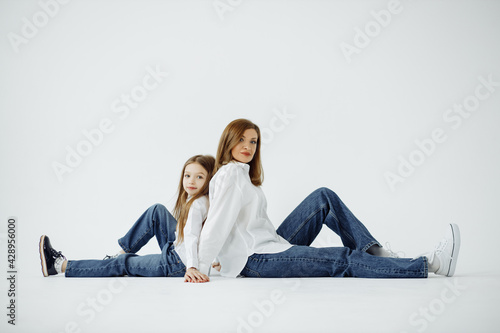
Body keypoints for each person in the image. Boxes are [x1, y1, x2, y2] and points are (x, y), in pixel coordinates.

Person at [196, 119, 461, 279]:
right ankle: (428, 264)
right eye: (241, 139)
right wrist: (200, 266)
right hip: (256, 258)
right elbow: (217, 224)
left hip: (270, 244)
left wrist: (225, 256)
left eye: (253, 141)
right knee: (342, 258)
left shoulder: (241, 175)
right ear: (228, 141)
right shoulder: (230, 174)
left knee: (323, 198)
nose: (248, 146)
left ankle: (374, 251)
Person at [40, 154, 219, 283]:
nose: (191, 181)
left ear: (209, 180)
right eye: (187, 176)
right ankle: (119, 253)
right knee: (157, 211)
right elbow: (213, 233)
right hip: (179, 250)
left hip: (177, 264)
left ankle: (58, 265)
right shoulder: (204, 200)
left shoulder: (197, 204)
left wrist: (192, 267)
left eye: (199, 177)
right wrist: (215, 259)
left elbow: (193, 236)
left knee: (122, 265)